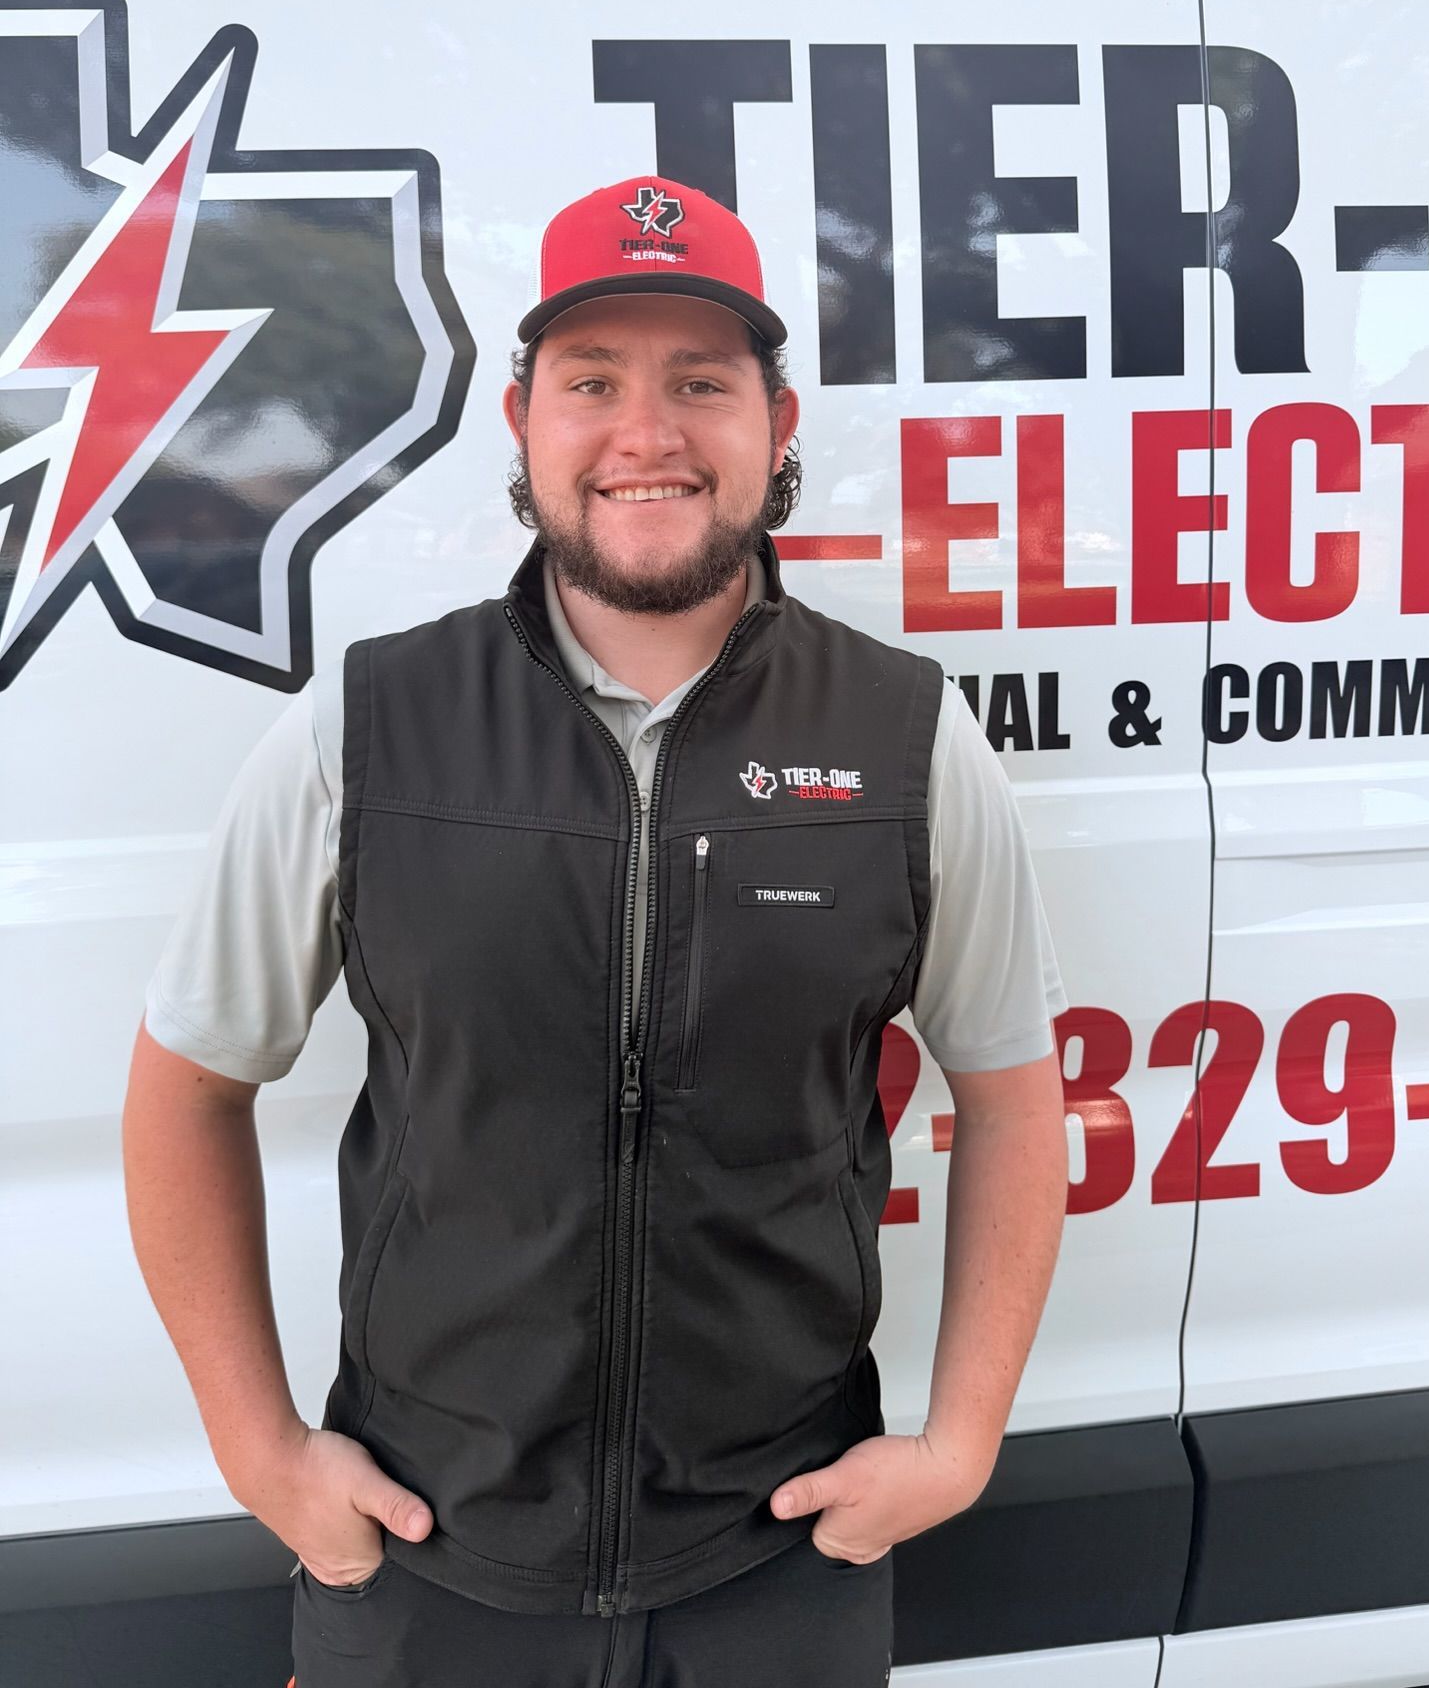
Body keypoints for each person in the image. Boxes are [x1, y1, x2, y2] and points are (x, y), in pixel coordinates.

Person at [122, 175, 1070, 1688]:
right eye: (593, 383)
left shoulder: (907, 738)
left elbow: (1016, 1097)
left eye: (703, 382)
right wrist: (267, 1457)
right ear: (522, 420)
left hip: (779, 1558)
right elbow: (186, 1085)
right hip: (427, 1559)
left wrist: (957, 1447)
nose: (650, 435)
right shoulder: (366, 729)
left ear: (777, 418)